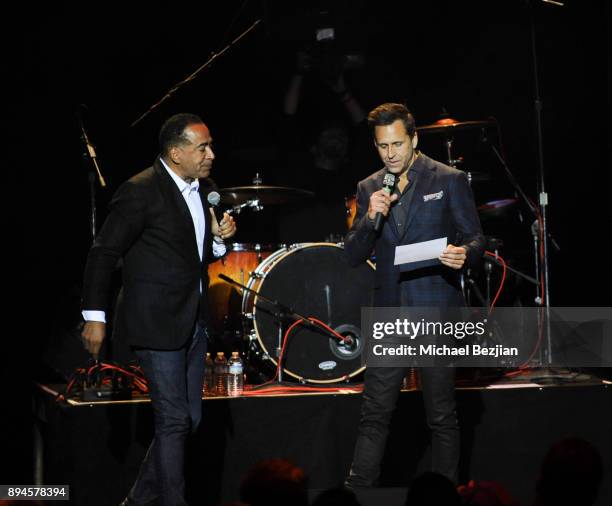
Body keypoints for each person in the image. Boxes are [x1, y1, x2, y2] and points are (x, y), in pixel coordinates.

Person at [80, 113, 236, 506]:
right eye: (202, 147)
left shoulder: (204, 190)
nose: (211, 155)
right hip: (156, 322)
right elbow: (103, 253)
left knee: (190, 420)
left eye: (210, 145)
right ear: (175, 152)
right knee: (172, 419)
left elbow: (192, 254)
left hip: (194, 321)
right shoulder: (141, 191)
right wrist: (95, 317)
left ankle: (136, 501)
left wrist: (219, 242)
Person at [344, 103, 484, 487]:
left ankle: (446, 492)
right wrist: (371, 218)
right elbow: (353, 254)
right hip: (389, 313)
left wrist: (464, 254)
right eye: (382, 146)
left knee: (440, 414)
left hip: (435, 309)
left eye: (397, 145)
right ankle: (356, 492)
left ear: (414, 139)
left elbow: (475, 238)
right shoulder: (369, 187)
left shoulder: (448, 179)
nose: (390, 154)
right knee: (374, 412)